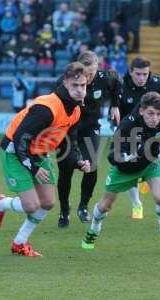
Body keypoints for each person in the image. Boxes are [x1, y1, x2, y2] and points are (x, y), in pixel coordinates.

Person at [0, 62, 91, 257]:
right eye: (75, 86)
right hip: (16, 152)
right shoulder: (47, 107)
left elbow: (68, 143)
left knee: (47, 202)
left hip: (38, 153)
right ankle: (1, 203)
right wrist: (34, 167)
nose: (80, 90)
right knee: (31, 205)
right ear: (65, 83)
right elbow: (20, 139)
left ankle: (19, 243)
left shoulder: (76, 110)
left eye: (83, 86)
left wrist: (78, 161)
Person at [81, 91, 160, 251]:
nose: (155, 118)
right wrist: (125, 157)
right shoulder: (128, 125)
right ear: (142, 110)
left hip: (151, 163)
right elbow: (112, 155)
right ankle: (93, 230)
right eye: (150, 113)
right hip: (124, 169)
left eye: (158, 114)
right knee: (105, 206)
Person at [56, 51, 122, 228]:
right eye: (87, 73)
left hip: (91, 128)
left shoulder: (105, 78)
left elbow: (117, 83)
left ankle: (83, 206)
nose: (90, 77)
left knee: (91, 167)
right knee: (66, 170)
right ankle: (64, 210)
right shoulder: (65, 84)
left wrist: (115, 105)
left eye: (93, 72)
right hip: (67, 130)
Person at [117, 56, 160, 219]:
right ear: (131, 72)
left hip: (152, 130)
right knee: (130, 163)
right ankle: (137, 204)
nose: (142, 78)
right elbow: (118, 108)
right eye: (138, 74)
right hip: (131, 130)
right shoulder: (122, 85)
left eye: (145, 74)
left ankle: (146, 177)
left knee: (154, 158)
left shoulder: (158, 84)